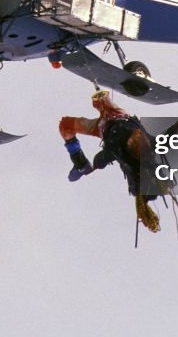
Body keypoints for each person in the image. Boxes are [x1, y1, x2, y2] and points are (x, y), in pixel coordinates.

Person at [58, 89, 170, 233]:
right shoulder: (148, 146)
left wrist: (95, 164)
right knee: (101, 101)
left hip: (104, 127)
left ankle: (80, 164)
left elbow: (103, 158)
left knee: (66, 125)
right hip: (120, 118)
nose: (137, 136)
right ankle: (81, 164)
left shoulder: (120, 151)